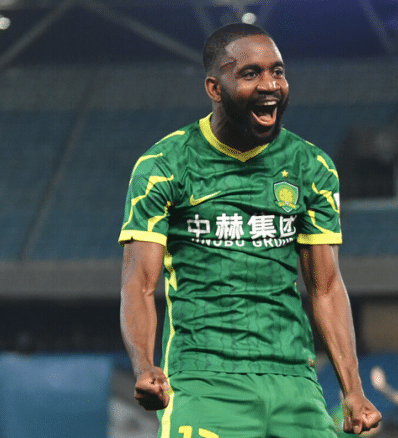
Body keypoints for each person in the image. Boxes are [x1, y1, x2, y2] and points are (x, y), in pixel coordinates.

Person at [118, 22, 381, 438]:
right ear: (214, 88)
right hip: (203, 379)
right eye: (250, 73)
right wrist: (145, 365)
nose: (270, 85)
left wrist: (353, 390)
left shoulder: (311, 167)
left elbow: (327, 288)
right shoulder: (165, 166)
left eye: (277, 71)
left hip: (295, 380)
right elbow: (140, 284)